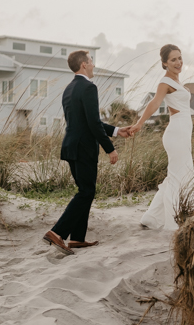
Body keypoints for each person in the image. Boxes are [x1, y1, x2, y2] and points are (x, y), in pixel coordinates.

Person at [42, 50, 129, 255]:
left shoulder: (69, 89)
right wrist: (110, 148)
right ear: (83, 65)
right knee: (86, 192)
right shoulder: (89, 88)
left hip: (71, 146)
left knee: (85, 190)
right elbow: (92, 123)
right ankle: (57, 232)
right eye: (91, 62)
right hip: (83, 148)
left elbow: (88, 121)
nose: (93, 65)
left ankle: (77, 239)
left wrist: (117, 131)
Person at [127, 44, 194, 230]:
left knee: (177, 175)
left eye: (180, 58)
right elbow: (155, 103)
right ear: (165, 63)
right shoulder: (165, 83)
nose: (178, 62)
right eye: (173, 59)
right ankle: (173, 224)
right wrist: (140, 123)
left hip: (183, 133)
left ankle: (151, 218)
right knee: (179, 176)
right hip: (177, 133)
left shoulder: (178, 83)